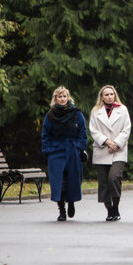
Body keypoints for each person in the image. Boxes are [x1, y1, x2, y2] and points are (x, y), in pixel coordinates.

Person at [42, 86, 88, 222]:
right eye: (60, 97)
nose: (62, 99)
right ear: (55, 99)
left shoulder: (76, 113)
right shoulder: (50, 115)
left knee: (72, 181)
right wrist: (48, 150)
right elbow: (45, 135)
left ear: (68, 98)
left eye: (64, 96)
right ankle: (61, 209)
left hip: (72, 151)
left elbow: (82, 133)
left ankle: (71, 203)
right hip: (56, 152)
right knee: (59, 183)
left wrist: (78, 148)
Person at [89, 85, 131, 222]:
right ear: (102, 97)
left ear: (115, 95)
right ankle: (109, 209)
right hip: (103, 149)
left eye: (111, 94)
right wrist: (106, 141)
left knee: (114, 177)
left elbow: (126, 129)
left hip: (118, 150)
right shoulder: (96, 112)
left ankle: (116, 206)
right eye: (106, 94)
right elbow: (93, 130)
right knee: (104, 182)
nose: (109, 97)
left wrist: (116, 143)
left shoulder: (122, 109)